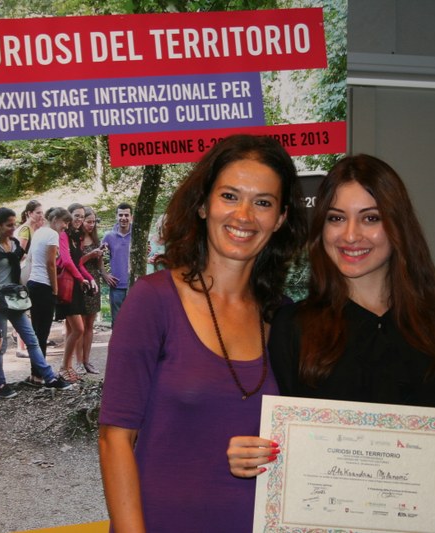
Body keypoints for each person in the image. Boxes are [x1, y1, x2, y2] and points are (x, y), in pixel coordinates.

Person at [227, 154, 435, 492]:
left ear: (397, 225)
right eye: (336, 218)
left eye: (370, 218)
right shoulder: (292, 325)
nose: (350, 235)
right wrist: (250, 454)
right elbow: (272, 434)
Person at [98, 135, 308, 532]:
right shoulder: (153, 300)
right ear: (202, 204)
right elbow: (115, 440)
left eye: (263, 202)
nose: (244, 215)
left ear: (280, 219)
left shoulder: (284, 317)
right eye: (229, 196)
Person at [0, 207, 72, 398]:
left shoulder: (16, 244)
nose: (13, 228)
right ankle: (0, 384)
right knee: (0, 345)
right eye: (9, 225)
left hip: (15, 298)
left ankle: (49, 377)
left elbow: (22, 266)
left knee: (32, 340)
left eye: (14, 224)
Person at [23, 207, 72, 387]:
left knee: (36, 331)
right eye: (65, 222)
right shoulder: (52, 234)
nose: (66, 226)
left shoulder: (38, 232)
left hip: (33, 284)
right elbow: (51, 264)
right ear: (56, 219)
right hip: (44, 286)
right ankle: (41, 375)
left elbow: (31, 259)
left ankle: (35, 373)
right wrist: (55, 289)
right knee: (42, 333)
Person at [55, 203, 96, 383]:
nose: (79, 219)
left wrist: (90, 278)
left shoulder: (77, 237)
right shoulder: (63, 235)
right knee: (78, 329)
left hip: (76, 287)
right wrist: (81, 279)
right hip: (67, 287)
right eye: (76, 216)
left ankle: (67, 366)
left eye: (82, 216)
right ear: (69, 216)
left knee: (75, 329)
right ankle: (64, 366)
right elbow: (66, 261)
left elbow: (78, 263)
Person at [13, 200, 44, 357]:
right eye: (38, 212)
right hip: (24, 272)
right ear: (29, 213)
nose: (41, 215)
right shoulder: (25, 230)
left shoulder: (33, 228)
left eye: (41, 212)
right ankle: (21, 347)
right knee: (25, 307)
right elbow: (19, 253)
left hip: (29, 271)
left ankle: (26, 341)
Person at [78, 206, 105, 375]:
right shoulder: (76, 239)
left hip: (94, 281)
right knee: (79, 326)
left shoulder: (96, 238)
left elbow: (100, 264)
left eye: (93, 222)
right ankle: (78, 361)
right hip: (81, 282)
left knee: (89, 324)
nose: (91, 225)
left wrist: (100, 256)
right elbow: (74, 262)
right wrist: (90, 255)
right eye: (88, 221)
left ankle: (86, 360)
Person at [101, 202, 132, 326]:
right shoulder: (109, 236)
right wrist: (105, 274)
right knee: (117, 322)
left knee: (135, 321)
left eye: (126, 215)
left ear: (131, 217)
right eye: (120, 215)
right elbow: (99, 256)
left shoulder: (138, 235)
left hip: (134, 285)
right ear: (116, 216)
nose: (123, 218)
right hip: (117, 285)